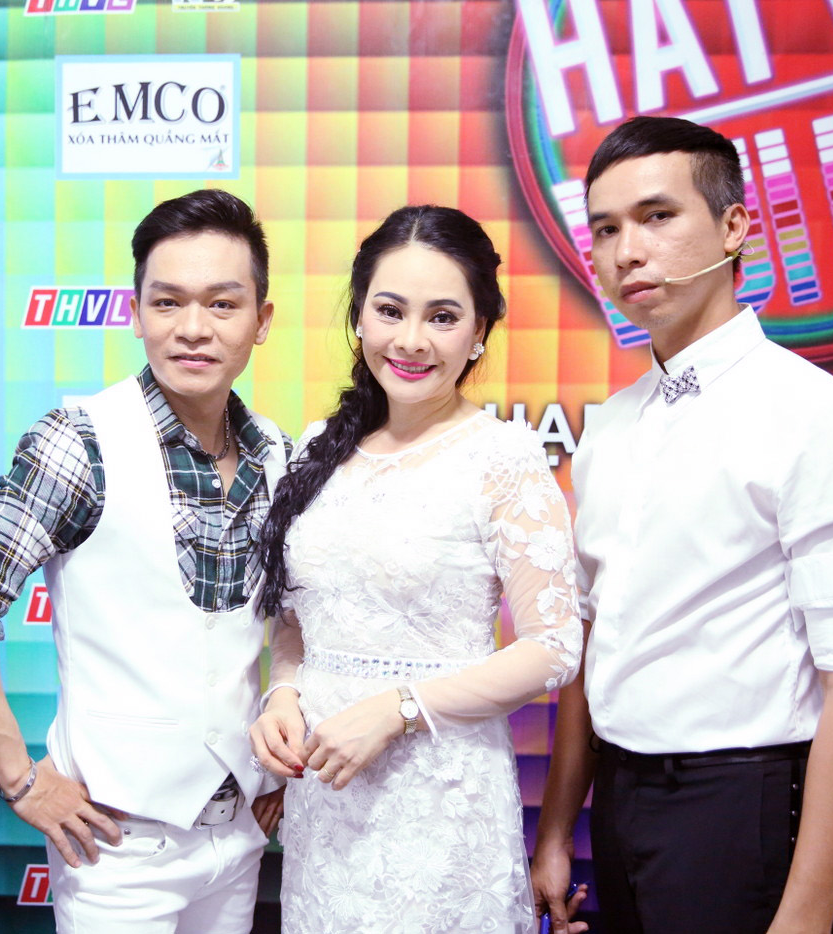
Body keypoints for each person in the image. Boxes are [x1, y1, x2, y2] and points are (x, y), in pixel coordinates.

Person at [531, 116, 833, 934]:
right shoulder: (611, 427)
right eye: (606, 229)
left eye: (657, 216)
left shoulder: (818, 416)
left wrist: (805, 919)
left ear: (735, 226)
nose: (628, 251)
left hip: (740, 806)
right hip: (619, 802)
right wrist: (559, 828)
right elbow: (592, 642)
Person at [0, 188, 289, 933]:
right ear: (135, 312)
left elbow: (290, 627)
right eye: (167, 302)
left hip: (240, 834)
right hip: (118, 848)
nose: (193, 328)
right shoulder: (79, 440)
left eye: (223, 304)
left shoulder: (276, 451)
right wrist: (20, 781)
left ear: (262, 320)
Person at [249, 205, 584, 934]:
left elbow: (554, 646)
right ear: (359, 316)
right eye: (390, 310)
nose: (410, 340)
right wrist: (283, 694)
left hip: (440, 804)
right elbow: (301, 618)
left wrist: (400, 708)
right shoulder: (319, 447)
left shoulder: (502, 458)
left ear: (479, 330)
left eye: (442, 317)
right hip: (325, 805)